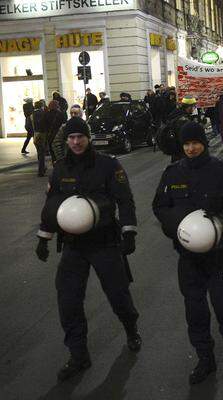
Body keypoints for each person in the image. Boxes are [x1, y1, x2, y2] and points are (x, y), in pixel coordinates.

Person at [35, 117, 141, 382]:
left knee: (118, 295)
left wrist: (129, 231)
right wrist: (43, 237)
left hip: (105, 242)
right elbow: (52, 205)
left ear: (88, 137)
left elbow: (124, 200)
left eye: (80, 136)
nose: (75, 142)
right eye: (71, 137)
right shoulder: (60, 169)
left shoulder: (108, 165)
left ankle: (130, 327)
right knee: (68, 300)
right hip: (74, 245)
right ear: (66, 140)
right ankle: (78, 355)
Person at [152, 121, 223, 385]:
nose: (191, 148)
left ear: (203, 143)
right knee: (195, 311)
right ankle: (205, 358)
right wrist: (178, 227)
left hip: (219, 255)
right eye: (186, 144)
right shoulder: (172, 173)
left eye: (195, 143)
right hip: (188, 258)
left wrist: (219, 222)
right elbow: (159, 206)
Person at [159, 96, 198, 162]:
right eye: (193, 107)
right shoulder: (183, 120)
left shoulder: (176, 113)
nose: (194, 109)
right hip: (181, 152)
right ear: (189, 107)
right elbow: (185, 137)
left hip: (175, 150)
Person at [32, 100, 49, 177]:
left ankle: (42, 168)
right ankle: (41, 171)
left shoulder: (31, 115)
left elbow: (28, 126)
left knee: (39, 152)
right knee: (42, 152)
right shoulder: (44, 113)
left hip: (35, 134)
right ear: (41, 106)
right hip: (43, 134)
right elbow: (46, 123)